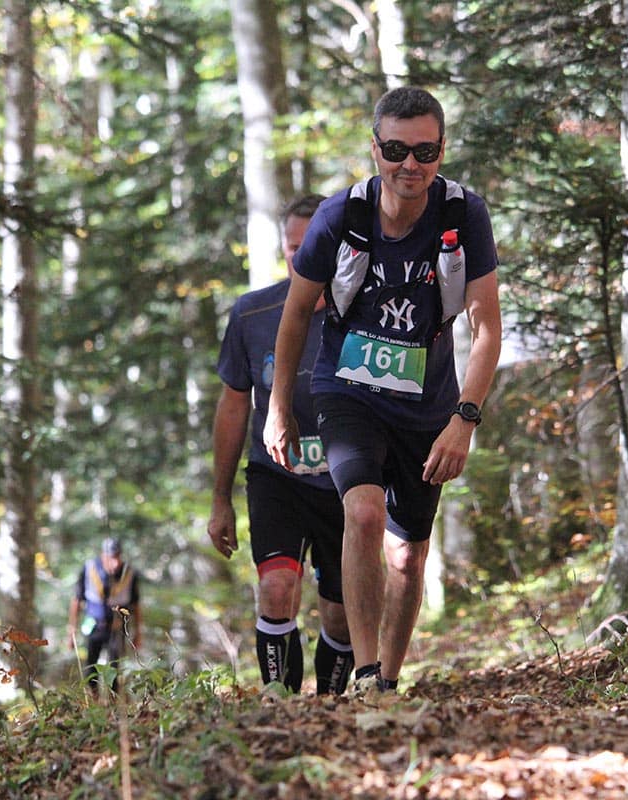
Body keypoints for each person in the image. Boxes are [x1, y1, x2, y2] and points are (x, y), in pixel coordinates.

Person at [263, 86, 502, 696]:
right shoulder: (340, 216)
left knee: (408, 555)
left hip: (428, 402)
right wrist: (279, 405)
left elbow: (486, 327)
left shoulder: (463, 215)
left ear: (441, 150)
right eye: (396, 150)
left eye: (424, 151)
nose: (409, 165)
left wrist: (464, 419)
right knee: (364, 513)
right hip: (347, 390)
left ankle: (388, 682)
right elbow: (295, 314)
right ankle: (365, 672)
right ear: (375, 149)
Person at [209, 194, 355, 694]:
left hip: (345, 482)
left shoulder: (363, 309)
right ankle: (281, 703)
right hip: (277, 477)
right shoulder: (253, 314)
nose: (304, 257)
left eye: (315, 246)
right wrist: (220, 498)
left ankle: (332, 706)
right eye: (295, 248)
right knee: (276, 588)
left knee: (340, 614)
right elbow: (233, 407)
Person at [68, 537, 142, 693]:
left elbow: (136, 604)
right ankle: (93, 699)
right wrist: (72, 629)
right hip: (94, 627)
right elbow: (76, 600)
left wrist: (138, 632)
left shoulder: (129, 573)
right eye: (110, 557)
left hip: (117, 628)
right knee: (91, 667)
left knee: (115, 667)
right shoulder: (89, 569)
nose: (114, 562)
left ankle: (114, 702)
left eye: (117, 557)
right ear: (102, 555)